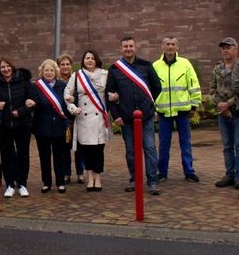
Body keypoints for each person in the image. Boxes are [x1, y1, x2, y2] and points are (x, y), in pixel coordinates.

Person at [106, 36, 162, 195]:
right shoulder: (115, 69)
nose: (128, 49)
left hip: (146, 117)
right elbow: (109, 94)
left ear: (135, 47)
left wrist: (149, 104)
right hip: (126, 118)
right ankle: (134, 179)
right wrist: (116, 116)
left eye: (131, 46)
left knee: (150, 148)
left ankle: (152, 181)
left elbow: (157, 87)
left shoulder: (146, 65)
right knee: (131, 150)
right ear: (121, 49)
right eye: (125, 46)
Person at [153, 37, 201, 183]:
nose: (170, 47)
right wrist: (153, 108)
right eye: (167, 44)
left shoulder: (185, 64)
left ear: (177, 46)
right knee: (163, 144)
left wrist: (194, 105)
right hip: (164, 112)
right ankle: (162, 172)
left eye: (173, 44)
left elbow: (193, 84)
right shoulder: (155, 66)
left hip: (182, 111)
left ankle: (189, 171)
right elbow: (151, 88)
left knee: (185, 143)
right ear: (162, 46)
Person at [64, 50, 109, 191]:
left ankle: (98, 177)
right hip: (83, 117)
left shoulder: (105, 74)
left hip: (100, 117)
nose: (89, 60)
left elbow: (112, 91)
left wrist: (115, 96)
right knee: (88, 150)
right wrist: (72, 107)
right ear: (83, 60)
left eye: (92, 58)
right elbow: (67, 94)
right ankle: (90, 177)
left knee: (99, 149)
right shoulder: (76, 76)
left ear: (96, 60)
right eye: (87, 58)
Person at [0, 58, 38, 197]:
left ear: (12, 67)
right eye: (2, 67)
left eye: (7, 66)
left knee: (23, 155)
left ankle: (22, 184)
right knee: (6, 155)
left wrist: (21, 111)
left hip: (22, 124)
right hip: (4, 126)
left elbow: (34, 102)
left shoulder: (24, 82)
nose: (5, 69)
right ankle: (9, 184)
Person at [33, 59, 70, 193]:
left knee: (59, 156)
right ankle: (46, 182)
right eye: (46, 70)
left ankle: (60, 182)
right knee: (44, 156)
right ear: (42, 72)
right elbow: (34, 104)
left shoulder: (63, 86)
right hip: (42, 126)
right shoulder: (36, 86)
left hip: (59, 126)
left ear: (56, 72)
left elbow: (66, 105)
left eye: (51, 70)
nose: (49, 73)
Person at [213, 37, 239, 190]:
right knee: (227, 146)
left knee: (238, 145)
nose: (225, 50)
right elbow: (212, 89)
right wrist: (220, 106)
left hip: (236, 112)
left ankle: (238, 176)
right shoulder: (217, 68)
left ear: (236, 49)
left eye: (228, 47)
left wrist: (228, 105)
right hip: (222, 113)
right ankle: (229, 174)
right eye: (223, 48)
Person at [57, 53, 85, 184]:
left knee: (79, 148)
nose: (65, 67)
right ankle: (66, 173)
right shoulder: (56, 82)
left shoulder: (77, 80)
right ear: (58, 66)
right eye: (62, 64)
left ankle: (80, 172)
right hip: (63, 119)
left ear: (71, 66)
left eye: (67, 64)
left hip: (77, 117)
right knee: (64, 149)